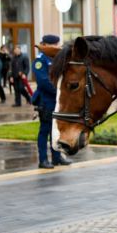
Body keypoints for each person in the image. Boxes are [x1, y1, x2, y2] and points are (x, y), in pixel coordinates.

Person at [32, 35, 70, 169]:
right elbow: (43, 82)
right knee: (45, 130)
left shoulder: (56, 58)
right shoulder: (40, 60)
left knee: (56, 131)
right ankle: (43, 160)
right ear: (47, 45)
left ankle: (57, 157)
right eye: (56, 45)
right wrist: (60, 91)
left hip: (57, 100)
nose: (58, 47)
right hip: (46, 100)